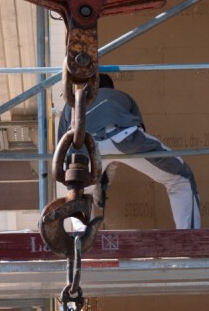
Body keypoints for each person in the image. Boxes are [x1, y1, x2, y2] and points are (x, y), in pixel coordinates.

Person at [56, 74, 201, 229]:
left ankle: (82, 243)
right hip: (123, 138)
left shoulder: (70, 104)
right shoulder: (122, 97)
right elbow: (129, 143)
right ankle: (189, 239)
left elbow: (62, 149)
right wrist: (104, 179)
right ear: (111, 88)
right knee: (180, 178)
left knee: (78, 191)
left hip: (85, 148)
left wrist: (94, 185)